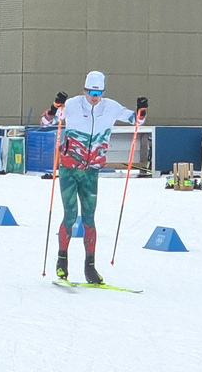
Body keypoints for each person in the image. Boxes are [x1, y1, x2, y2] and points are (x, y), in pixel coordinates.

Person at [47, 71, 147, 284]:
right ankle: (62, 261)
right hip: (70, 168)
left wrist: (141, 110)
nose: (95, 96)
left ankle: (90, 267)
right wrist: (55, 107)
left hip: (92, 170)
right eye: (91, 91)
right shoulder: (73, 105)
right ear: (84, 90)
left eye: (99, 92)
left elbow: (135, 121)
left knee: (90, 218)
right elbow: (47, 121)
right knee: (71, 214)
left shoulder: (110, 107)